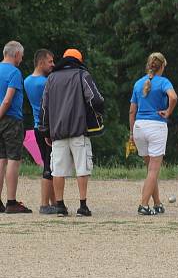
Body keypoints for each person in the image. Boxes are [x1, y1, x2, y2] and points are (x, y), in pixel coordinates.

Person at [39, 48, 104, 217]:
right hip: (78, 130)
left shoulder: (51, 78)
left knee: (58, 170)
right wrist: (96, 114)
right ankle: (82, 206)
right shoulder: (82, 75)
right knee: (82, 167)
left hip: (58, 133)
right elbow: (95, 99)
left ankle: (60, 206)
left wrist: (46, 131)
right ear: (78, 61)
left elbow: (44, 107)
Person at [129, 52, 178, 215]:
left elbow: (131, 111)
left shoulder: (138, 83)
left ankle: (157, 203)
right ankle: (143, 205)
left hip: (139, 127)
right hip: (156, 126)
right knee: (153, 170)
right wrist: (168, 111)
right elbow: (173, 97)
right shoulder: (163, 82)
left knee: (150, 169)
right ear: (162, 66)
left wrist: (131, 134)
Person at [24, 49, 57, 214]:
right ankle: (45, 204)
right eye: (50, 61)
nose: (53, 64)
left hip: (37, 126)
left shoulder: (27, 81)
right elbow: (51, 108)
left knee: (47, 163)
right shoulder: (45, 83)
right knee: (49, 166)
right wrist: (51, 131)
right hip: (47, 127)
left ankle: (53, 202)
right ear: (41, 62)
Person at [0, 41, 32, 214]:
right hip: (11, 119)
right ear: (15, 54)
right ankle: (11, 202)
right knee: (13, 159)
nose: (22, 58)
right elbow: (7, 99)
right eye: (21, 55)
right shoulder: (14, 72)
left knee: (0, 159)